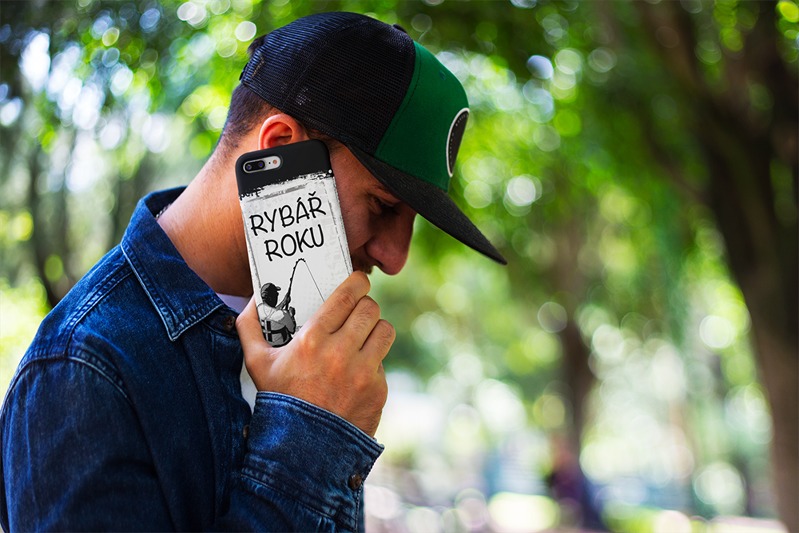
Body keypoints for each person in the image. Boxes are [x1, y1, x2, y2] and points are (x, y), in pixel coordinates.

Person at [0, 11, 506, 532]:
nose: (396, 258)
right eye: (382, 205)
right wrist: (309, 433)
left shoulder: (309, 341)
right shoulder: (82, 369)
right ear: (281, 148)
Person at [258, 282, 296, 347]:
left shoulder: (259, 309)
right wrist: (291, 315)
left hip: (269, 346)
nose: (277, 295)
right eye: (276, 294)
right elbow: (292, 330)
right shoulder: (283, 314)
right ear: (270, 298)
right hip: (284, 346)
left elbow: (272, 313)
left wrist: (284, 302)